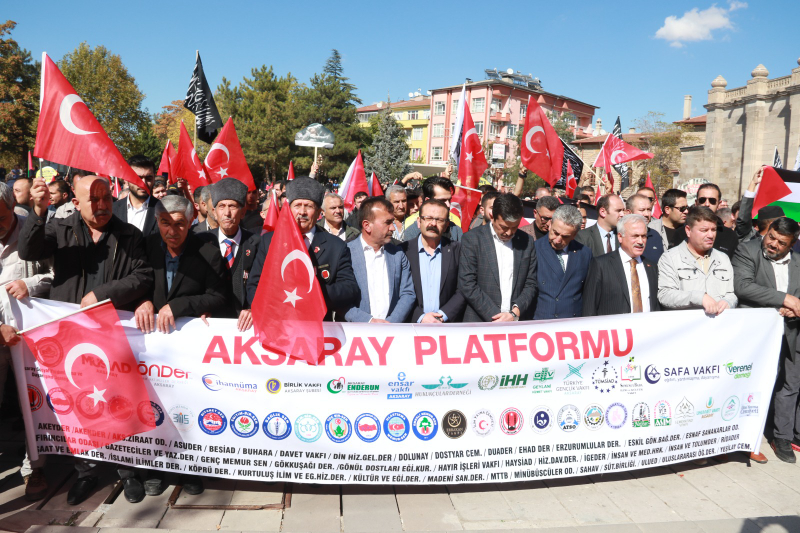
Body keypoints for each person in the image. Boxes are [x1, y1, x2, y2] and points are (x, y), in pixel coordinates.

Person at [19, 175, 154, 505]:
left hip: (112, 331)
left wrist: (103, 295)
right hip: (71, 336)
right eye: (93, 199)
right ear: (76, 203)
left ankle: (127, 470)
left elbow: (143, 275)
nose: (103, 204)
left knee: (118, 403)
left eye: (106, 197)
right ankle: (86, 472)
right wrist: (38, 211)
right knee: (81, 407)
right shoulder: (61, 229)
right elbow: (27, 250)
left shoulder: (128, 234)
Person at [0, 182, 53, 501]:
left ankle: (35, 467)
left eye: (2, 218)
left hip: (28, 336)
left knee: (31, 402)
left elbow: (56, 276)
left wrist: (29, 284)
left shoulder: (32, 231)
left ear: (11, 208)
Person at [733, 218, 800, 463]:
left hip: (792, 330)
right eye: (771, 236)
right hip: (757, 334)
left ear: (791, 244)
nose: (772, 244)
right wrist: (785, 299)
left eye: (781, 243)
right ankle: (742, 436)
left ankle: (782, 437)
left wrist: (794, 308)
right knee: (752, 385)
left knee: (790, 385)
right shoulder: (748, 249)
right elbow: (743, 286)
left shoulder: (798, 261)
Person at [247, 177, 359, 320]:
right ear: (288, 210)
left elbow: (349, 289)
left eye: (309, 206)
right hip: (276, 323)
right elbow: (254, 285)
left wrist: (313, 294)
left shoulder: (336, 246)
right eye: (297, 205)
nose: (302, 212)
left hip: (317, 326)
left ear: (319, 213)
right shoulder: (269, 241)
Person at [458, 193, 538, 322]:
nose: (509, 233)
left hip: (515, 322)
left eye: (514, 227)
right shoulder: (472, 239)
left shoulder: (527, 241)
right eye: (504, 227)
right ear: (492, 217)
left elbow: (531, 283)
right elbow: (467, 284)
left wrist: (514, 313)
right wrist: (497, 317)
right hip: (480, 321)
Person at [345, 197, 415, 323]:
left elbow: (408, 293)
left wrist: (391, 323)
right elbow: (340, 299)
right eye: (387, 223)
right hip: (355, 334)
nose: (393, 228)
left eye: (393, 222)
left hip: (392, 333)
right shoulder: (346, 253)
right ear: (367, 225)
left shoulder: (398, 254)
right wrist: (368, 320)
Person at [658, 206, 737, 314]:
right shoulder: (670, 258)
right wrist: (699, 298)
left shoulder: (723, 258)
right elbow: (665, 295)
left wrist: (728, 302)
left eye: (713, 230)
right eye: (704, 230)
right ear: (688, 231)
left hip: (718, 326)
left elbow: (731, 293)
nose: (710, 235)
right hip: (687, 327)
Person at [205, 178, 260, 331]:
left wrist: (253, 308)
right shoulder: (201, 242)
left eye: (233, 206)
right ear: (214, 212)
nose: (227, 213)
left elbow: (262, 285)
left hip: (246, 327)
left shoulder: (257, 244)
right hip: (211, 325)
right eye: (221, 206)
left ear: (243, 212)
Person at [401, 199, 466, 323]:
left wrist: (443, 315)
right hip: (412, 327)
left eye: (439, 220)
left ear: (447, 225)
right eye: (428, 218)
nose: (433, 224)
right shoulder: (403, 251)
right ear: (419, 222)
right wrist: (420, 317)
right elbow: (398, 292)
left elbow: (463, 288)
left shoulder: (457, 250)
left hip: (447, 326)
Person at [582, 214, 660, 316]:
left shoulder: (651, 267)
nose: (641, 241)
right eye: (635, 236)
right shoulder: (601, 265)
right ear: (620, 237)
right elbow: (589, 307)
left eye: (644, 236)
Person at [533, 205, 592, 320]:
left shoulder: (584, 253)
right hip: (542, 324)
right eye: (555, 233)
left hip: (572, 324)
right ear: (550, 225)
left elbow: (588, 292)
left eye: (565, 236)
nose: (558, 240)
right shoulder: (534, 249)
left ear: (574, 235)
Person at [682, 183, 737, 258]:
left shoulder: (730, 236)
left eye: (712, 200)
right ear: (696, 202)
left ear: (719, 203)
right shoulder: (681, 232)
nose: (707, 204)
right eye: (702, 200)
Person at [403, 177, 463, 242]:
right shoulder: (412, 232)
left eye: (449, 200)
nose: (448, 205)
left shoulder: (456, 230)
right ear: (427, 201)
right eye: (442, 200)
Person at [112, 155, 158, 236]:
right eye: (138, 178)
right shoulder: (113, 210)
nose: (143, 183)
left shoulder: (163, 210)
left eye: (149, 178)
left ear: (154, 178)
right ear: (126, 179)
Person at [736, 167, 785, 243]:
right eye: (783, 221)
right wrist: (753, 183)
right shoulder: (749, 239)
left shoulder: (785, 244)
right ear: (773, 224)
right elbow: (743, 220)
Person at [625, 194, 665, 263]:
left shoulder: (655, 235)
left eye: (649, 210)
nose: (646, 214)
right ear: (629, 212)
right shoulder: (619, 235)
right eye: (642, 210)